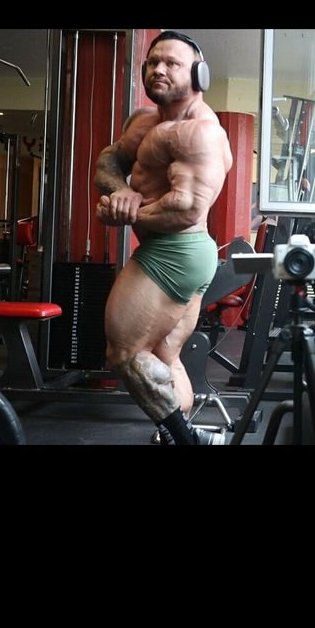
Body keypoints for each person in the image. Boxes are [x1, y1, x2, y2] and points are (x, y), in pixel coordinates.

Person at [95, 32, 233, 446]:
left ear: (199, 74)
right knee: (163, 355)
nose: (159, 69)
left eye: (172, 63)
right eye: (153, 62)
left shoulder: (200, 132)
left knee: (123, 352)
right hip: (171, 249)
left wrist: (126, 212)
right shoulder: (141, 121)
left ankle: (183, 437)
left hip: (178, 250)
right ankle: (186, 436)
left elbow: (185, 209)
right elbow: (109, 160)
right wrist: (122, 190)